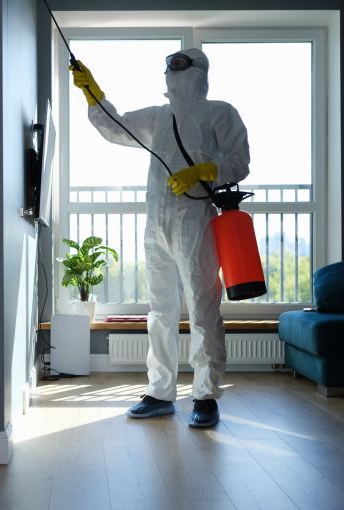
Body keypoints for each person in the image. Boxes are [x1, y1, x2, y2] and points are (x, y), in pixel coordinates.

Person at [70, 48, 250, 428]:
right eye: (170, 65)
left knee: (202, 307)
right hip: (156, 222)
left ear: (200, 71)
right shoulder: (157, 116)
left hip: (195, 220)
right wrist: (92, 91)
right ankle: (160, 391)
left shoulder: (221, 111)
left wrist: (203, 170)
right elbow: (115, 126)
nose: (175, 70)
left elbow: (240, 160)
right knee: (160, 311)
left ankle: (205, 395)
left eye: (183, 64)